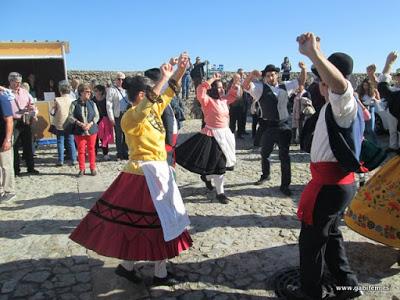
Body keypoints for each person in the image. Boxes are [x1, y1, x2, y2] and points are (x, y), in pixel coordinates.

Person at [70, 53, 192, 286]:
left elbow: (169, 92)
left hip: (156, 172)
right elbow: (148, 105)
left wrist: (180, 71)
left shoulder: (153, 110)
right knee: (156, 224)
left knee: (152, 224)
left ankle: (129, 267)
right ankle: (159, 274)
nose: (153, 97)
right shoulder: (129, 117)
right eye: (148, 93)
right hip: (143, 175)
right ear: (140, 95)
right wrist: (163, 77)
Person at [287, 32, 362, 300]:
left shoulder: (344, 101)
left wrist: (314, 55)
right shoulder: (333, 107)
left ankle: (311, 293)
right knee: (331, 236)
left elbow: (340, 85)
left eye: (322, 80)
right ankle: (348, 284)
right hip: (334, 185)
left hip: (330, 187)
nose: (319, 85)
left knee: (311, 242)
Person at [243, 61, 307, 196]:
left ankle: (285, 185)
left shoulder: (286, 86)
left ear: (277, 75)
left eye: (273, 75)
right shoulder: (260, 88)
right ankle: (265, 175)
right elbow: (245, 86)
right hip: (268, 126)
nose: (271, 78)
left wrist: (303, 69)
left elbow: (301, 81)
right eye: (268, 76)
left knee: (284, 157)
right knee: (265, 154)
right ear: (265, 77)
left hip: (283, 126)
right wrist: (251, 75)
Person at [176, 73, 240, 204]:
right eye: (219, 87)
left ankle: (207, 178)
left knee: (220, 165)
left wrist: (236, 82)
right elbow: (200, 91)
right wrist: (212, 79)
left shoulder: (224, 100)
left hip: (225, 135)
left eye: (222, 87)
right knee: (219, 165)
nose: (222, 90)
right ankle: (220, 193)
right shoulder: (207, 101)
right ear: (212, 89)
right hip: (212, 136)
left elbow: (234, 95)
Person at [367, 53, 400, 152]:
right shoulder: (394, 87)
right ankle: (393, 146)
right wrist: (372, 76)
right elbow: (381, 86)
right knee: (392, 129)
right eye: (398, 76)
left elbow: (383, 87)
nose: (399, 78)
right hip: (392, 111)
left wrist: (388, 64)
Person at [8, 72, 39, 176]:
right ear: (10, 81)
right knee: (15, 147)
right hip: (13, 122)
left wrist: (32, 109)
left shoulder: (25, 92)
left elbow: (32, 104)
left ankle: (31, 168)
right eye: (16, 82)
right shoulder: (6, 93)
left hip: (25, 121)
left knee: (28, 145)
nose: (18, 84)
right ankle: (16, 170)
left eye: (19, 82)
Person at [67, 83, 99, 176]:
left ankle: (92, 168)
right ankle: (82, 169)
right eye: (87, 92)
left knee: (91, 149)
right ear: (81, 92)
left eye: (90, 92)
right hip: (79, 131)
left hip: (91, 130)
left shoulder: (92, 103)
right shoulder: (74, 104)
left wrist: (90, 124)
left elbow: (96, 116)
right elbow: (70, 116)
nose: (89, 93)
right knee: (81, 150)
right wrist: (79, 123)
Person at [51, 80, 77, 166]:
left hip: (60, 123)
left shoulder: (57, 100)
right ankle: (74, 159)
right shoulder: (73, 100)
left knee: (60, 142)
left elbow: (52, 112)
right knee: (71, 141)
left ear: (60, 90)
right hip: (70, 123)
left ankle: (60, 160)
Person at [106, 72, 129, 160]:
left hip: (127, 114)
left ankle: (125, 152)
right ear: (116, 80)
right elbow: (109, 105)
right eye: (119, 79)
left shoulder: (127, 90)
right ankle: (119, 153)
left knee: (126, 135)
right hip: (118, 115)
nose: (121, 81)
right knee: (119, 135)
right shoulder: (112, 90)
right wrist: (111, 118)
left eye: (122, 79)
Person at [0, 86, 16, 202]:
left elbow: (9, 120)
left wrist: (8, 139)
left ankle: (9, 191)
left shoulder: (3, 99)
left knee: (6, 165)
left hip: (3, 138)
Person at [357, 78, 380, 145]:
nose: (365, 87)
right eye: (364, 85)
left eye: (366, 85)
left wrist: (375, 99)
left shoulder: (374, 91)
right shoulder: (361, 92)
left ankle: (376, 144)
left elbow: (379, 101)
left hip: (371, 109)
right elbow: (358, 101)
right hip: (363, 110)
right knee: (363, 129)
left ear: (370, 86)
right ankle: (367, 145)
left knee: (371, 129)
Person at [93, 85, 113, 161]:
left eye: (96, 91)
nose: (94, 92)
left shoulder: (106, 100)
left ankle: (106, 154)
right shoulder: (92, 100)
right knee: (95, 139)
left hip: (104, 121)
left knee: (104, 138)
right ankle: (95, 155)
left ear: (100, 91)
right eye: (94, 91)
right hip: (95, 121)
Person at [228, 73, 245, 138]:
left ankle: (239, 134)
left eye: (239, 78)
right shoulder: (230, 85)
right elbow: (228, 94)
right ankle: (231, 134)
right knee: (232, 121)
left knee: (240, 121)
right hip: (233, 106)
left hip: (240, 105)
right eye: (237, 78)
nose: (239, 79)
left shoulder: (241, 85)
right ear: (234, 78)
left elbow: (242, 95)